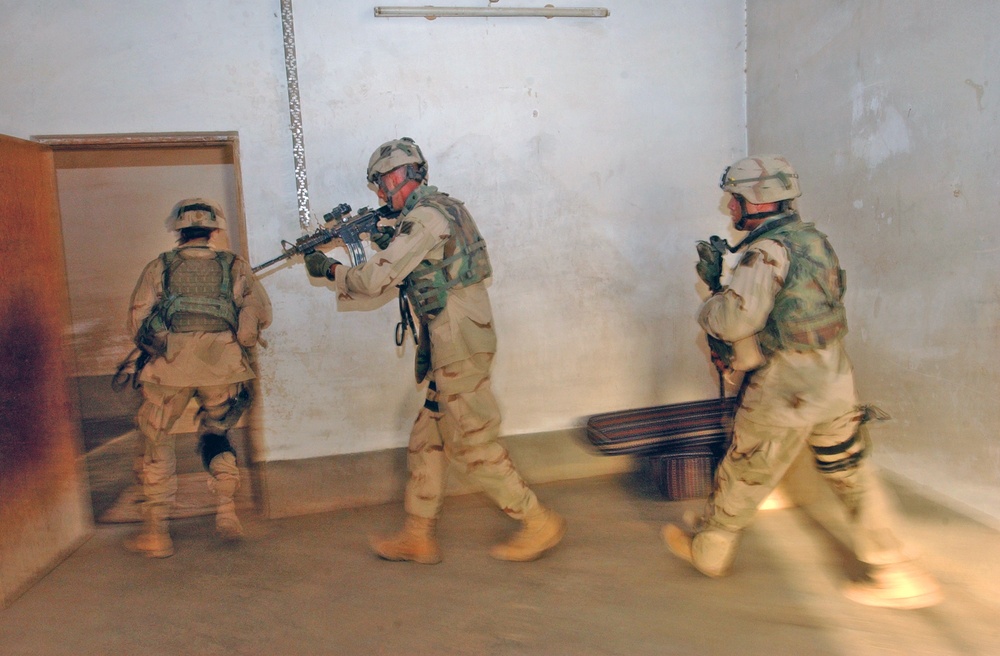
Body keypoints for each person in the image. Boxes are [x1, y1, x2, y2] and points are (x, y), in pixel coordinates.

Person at [663, 155, 942, 609]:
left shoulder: (766, 252)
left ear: (752, 200)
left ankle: (710, 550)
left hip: (787, 381)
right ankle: (895, 570)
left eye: (733, 199)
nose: (729, 208)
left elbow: (735, 321)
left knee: (747, 464)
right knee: (849, 466)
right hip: (832, 373)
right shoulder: (813, 240)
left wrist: (712, 294)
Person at [304, 137, 566, 564]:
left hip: (458, 340)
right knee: (427, 439)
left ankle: (537, 521)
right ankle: (417, 535)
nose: (378, 194)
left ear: (396, 176)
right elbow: (419, 260)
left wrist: (331, 271)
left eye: (379, 184)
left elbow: (374, 281)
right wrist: (380, 232)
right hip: (452, 337)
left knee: (473, 443)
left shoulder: (425, 218)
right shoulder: (439, 210)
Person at [125, 198, 272, 558]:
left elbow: (136, 320)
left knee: (156, 441)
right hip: (221, 367)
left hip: (169, 368)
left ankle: (156, 534)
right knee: (216, 435)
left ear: (179, 232)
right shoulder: (234, 265)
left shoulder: (159, 266)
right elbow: (260, 314)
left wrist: (162, 344)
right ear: (214, 231)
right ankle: (227, 514)